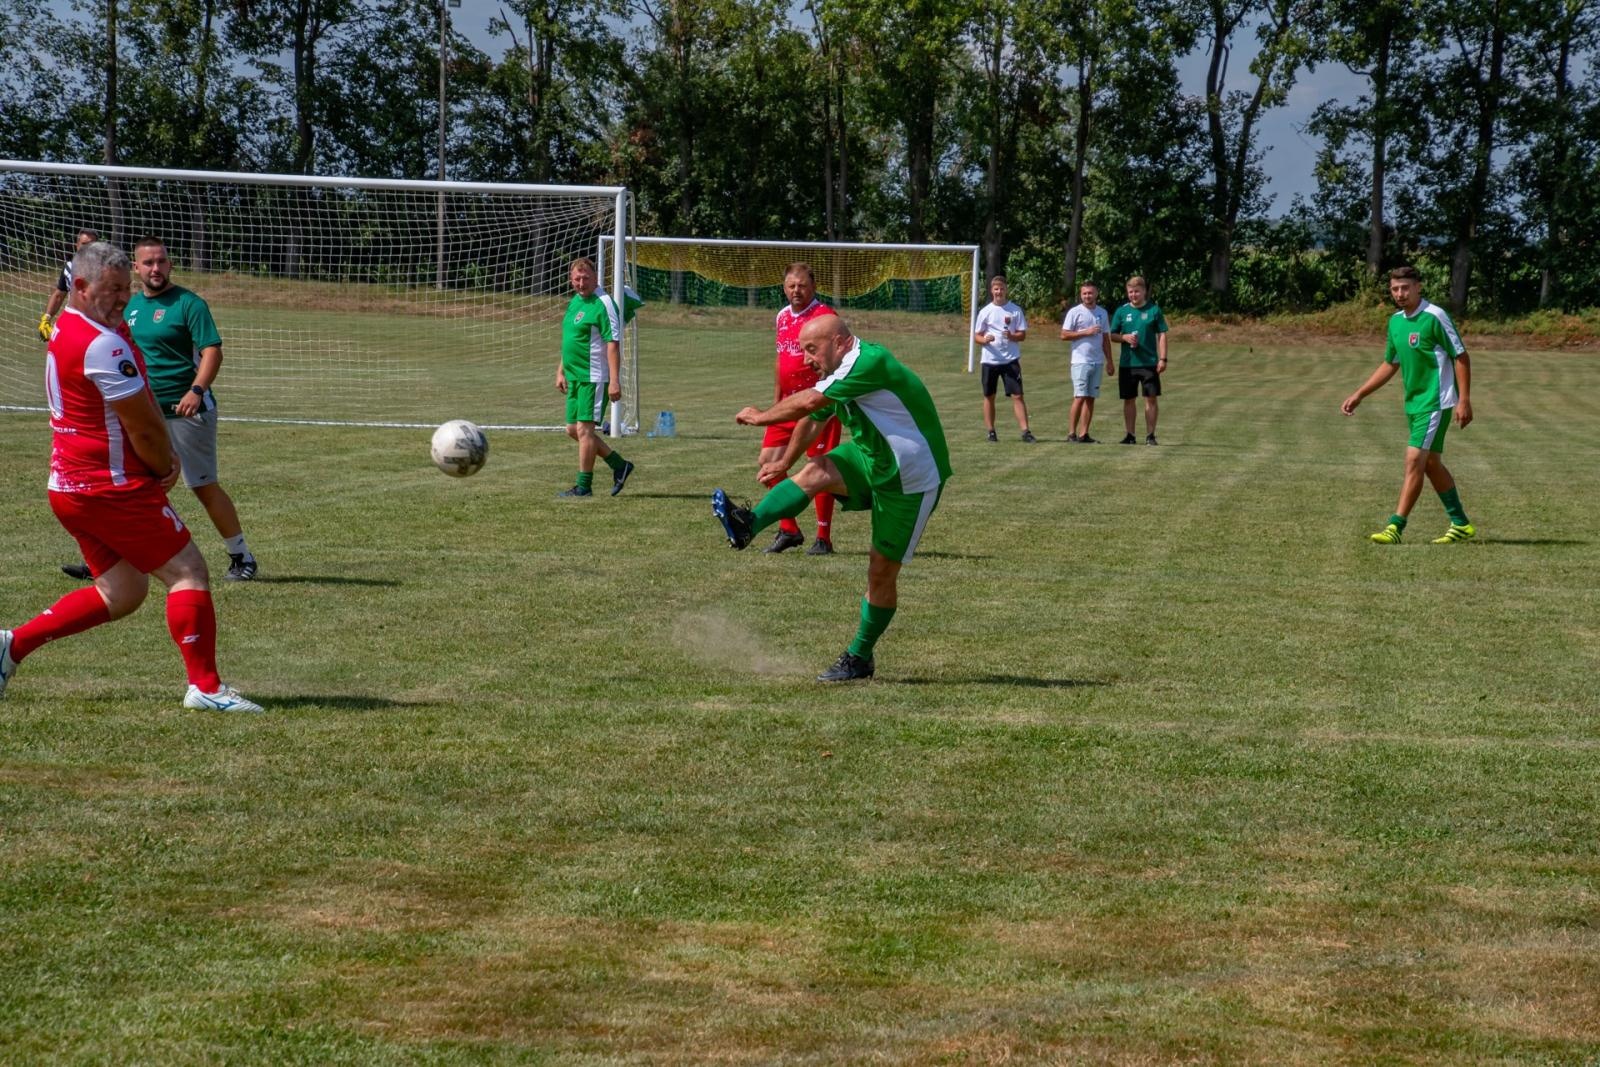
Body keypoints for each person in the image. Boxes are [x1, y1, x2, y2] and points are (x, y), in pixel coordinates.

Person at [0, 241, 262, 713]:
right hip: (109, 486)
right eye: (112, 289)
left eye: (126, 288)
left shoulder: (69, 327)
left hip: (69, 486)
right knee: (188, 572)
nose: (123, 298)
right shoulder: (103, 344)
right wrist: (164, 465)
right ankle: (205, 687)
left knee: (122, 592)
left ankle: (12, 645)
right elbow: (141, 424)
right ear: (79, 287)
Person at [711, 315, 951, 682]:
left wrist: (761, 418)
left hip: (911, 478)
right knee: (816, 469)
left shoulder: (867, 362)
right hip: (872, 457)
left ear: (839, 342)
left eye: (812, 349)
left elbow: (808, 403)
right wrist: (785, 463)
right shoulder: (839, 373)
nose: (806, 359)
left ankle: (860, 657)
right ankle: (748, 524)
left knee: (880, 571)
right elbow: (815, 419)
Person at [107, 236, 260, 581]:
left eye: (161, 261)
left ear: (170, 263)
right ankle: (114, 558)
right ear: (136, 268)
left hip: (188, 410)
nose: (155, 268)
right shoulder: (128, 307)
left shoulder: (189, 304)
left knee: (202, 485)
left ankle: (242, 557)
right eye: (148, 263)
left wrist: (196, 390)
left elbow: (212, 351)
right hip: (146, 413)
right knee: (132, 486)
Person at [1341, 265, 1476, 544]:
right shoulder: (1396, 322)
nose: (1400, 294)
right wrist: (1360, 394)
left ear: (1418, 287)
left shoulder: (1435, 316)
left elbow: (1460, 356)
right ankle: (1461, 523)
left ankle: (1395, 527)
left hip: (1436, 402)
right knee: (1431, 465)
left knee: (1414, 460)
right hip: (1414, 404)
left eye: (1405, 288)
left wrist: (1464, 400)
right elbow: (1391, 363)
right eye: (1394, 289)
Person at [759, 262, 842, 555]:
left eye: (802, 285)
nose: (797, 290)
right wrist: (777, 400)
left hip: (816, 404)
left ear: (813, 287)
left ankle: (824, 537)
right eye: (792, 285)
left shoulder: (825, 316)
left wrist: (828, 390)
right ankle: (789, 528)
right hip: (787, 404)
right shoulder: (781, 316)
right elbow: (781, 359)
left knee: (819, 467)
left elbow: (838, 356)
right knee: (768, 463)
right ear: (784, 288)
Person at [556, 257, 634, 498]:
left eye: (586, 278)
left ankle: (584, 486)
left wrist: (614, 380)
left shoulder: (604, 304)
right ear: (571, 279)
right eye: (577, 278)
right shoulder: (575, 302)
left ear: (596, 277)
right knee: (572, 429)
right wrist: (560, 369)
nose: (581, 283)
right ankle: (619, 465)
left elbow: (613, 343)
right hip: (575, 376)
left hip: (593, 376)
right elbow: (570, 339)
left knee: (585, 431)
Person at [971, 275, 1034, 442]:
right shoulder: (985, 311)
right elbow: (976, 336)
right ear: (992, 291)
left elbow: (1022, 335)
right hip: (990, 361)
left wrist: (1012, 336)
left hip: (1010, 361)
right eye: (996, 289)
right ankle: (991, 432)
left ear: (1006, 290)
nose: (999, 292)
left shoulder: (1015, 310)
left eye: (1002, 288)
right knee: (989, 396)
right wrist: (984, 340)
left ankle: (1026, 432)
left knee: (1018, 396)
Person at [1109, 276, 1169, 444]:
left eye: (1136, 291)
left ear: (1144, 291)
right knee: (1129, 399)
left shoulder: (1154, 310)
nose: (1133, 295)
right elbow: (1112, 335)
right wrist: (1125, 338)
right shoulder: (1122, 311)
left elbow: (1162, 334)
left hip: (1149, 362)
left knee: (1150, 398)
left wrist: (1163, 358)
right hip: (1128, 364)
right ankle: (1130, 435)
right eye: (1130, 292)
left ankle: (1150, 435)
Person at [1059, 280, 1115, 443]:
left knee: (1091, 397)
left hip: (1097, 361)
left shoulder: (1102, 313)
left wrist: (1109, 361)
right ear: (1080, 295)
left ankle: (1084, 434)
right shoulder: (1075, 312)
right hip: (1080, 361)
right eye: (1084, 293)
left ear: (1096, 293)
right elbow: (1064, 335)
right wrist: (1086, 332)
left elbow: (1105, 339)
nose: (1087, 296)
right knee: (1080, 396)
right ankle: (1071, 433)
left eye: (1090, 293)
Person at [37, 228, 99, 343]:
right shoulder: (69, 267)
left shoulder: (107, 269)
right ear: (77, 245)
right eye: (84, 244)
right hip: (73, 323)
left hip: (98, 325)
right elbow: (59, 295)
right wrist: (46, 318)